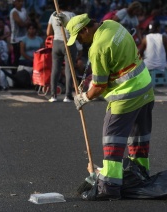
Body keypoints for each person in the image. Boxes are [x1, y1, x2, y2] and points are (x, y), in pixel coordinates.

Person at [65, 14, 155, 201]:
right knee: (139, 137)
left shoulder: (97, 48)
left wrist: (84, 98)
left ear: (85, 30)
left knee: (112, 138)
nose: (80, 42)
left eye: (79, 37)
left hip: (126, 95)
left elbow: (99, 86)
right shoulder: (113, 25)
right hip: (146, 88)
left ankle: (109, 186)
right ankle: (140, 174)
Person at [46, 0, 78, 103]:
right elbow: (76, 29)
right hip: (68, 42)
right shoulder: (72, 15)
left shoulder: (53, 15)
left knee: (55, 69)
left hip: (56, 43)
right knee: (69, 70)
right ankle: (68, 96)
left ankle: (53, 95)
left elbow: (48, 32)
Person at [10, 0, 30, 66]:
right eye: (19, 1)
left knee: (24, 56)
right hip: (16, 38)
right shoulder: (14, 12)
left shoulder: (24, 10)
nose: (21, 3)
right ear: (15, 2)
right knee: (17, 57)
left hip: (24, 37)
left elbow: (28, 20)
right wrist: (25, 23)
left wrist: (25, 23)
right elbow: (20, 23)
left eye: (22, 1)